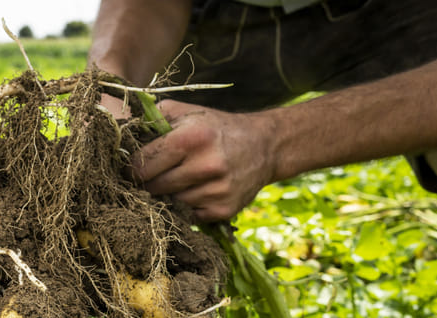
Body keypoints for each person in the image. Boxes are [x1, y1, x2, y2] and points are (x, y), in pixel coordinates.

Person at [88, 0, 437, 222]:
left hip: (397, 11)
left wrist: (270, 144)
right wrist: (108, 80)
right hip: (219, 10)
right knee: (143, 158)